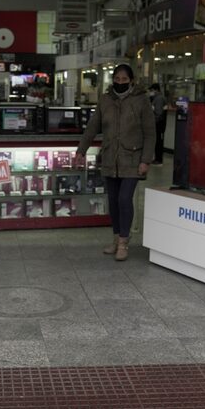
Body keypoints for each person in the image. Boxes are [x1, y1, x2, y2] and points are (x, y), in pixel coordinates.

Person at [75, 63, 155, 262]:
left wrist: (146, 160)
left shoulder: (141, 100)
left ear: (131, 81)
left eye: (124, 80)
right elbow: (93, 126)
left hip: (133, 159)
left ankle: (124, 243)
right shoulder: (105, 100)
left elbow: (150, 133)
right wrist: (81, 150)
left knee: (124, 199)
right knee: (113, 202)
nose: (120, 83)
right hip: (111, 158)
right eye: (117, 80)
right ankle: (116, 238)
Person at [149, 83, 167, 164]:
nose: (150, 92)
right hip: (158, 123)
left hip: (158, 124)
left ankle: (158, 159)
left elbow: (158, 113)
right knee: (157, 142)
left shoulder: (159, 99)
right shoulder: (157, 98)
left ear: (156, 90)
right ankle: (157, 158)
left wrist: (153, 121)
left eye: (151, 90)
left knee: (158, 142)